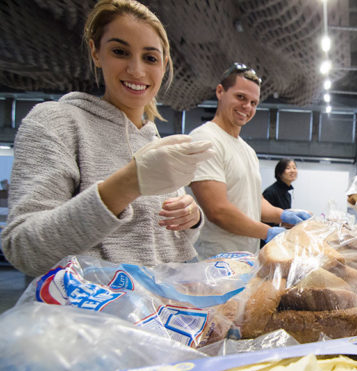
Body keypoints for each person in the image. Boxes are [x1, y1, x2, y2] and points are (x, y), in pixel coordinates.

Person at [1, 0, 214, 278]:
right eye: (120, 51)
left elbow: (163, 246)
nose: (137, 71)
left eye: (150, 58)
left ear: (163, 66)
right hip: (90, 316)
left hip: (160, 313)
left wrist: (191, 220)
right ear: (96, 52)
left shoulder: (153, 138)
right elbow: (24, 249)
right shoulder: (56, 123)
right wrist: (127, 184)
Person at [189, 64, 310, 258]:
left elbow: (253, 200)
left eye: (254, 102)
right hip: (212, 261)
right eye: (241, 97)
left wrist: (282, 215)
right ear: (220, 92)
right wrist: (267, 232)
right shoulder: (205, 139)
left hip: (245, 258)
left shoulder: (247, 151)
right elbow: (217, 210)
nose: (247, 107)